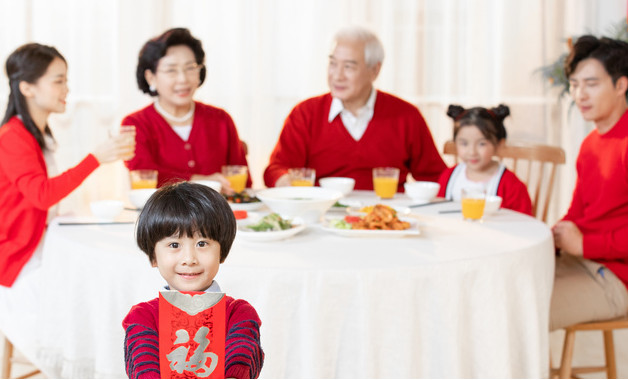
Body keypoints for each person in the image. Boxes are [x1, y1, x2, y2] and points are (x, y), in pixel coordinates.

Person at [0, 43, 135, 288]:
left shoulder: (37, 135)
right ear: (27, 88)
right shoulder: (12, 136)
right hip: (18, 259)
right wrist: (95, 159)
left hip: (36, 246)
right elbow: (42, 195)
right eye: (58, 81)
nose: (67, 89)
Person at [263, 26, 446, 190]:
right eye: (333, 64)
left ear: (374, 70)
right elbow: (275, 170)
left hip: (388, 219)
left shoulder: (406, 116)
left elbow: (436, 177)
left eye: (349, 67)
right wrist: (284, 180)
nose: (337, 76)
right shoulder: (305, 113)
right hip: (322, 216)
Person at [122, 182, 264, 379]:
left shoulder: (239, 314)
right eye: (174, 244)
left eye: (202, 243)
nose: (189, 259)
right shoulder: (143, 318)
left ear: (222, 251)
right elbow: (144, 369)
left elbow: (241, 361)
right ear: (153, 257)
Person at [550, 35, 628, 330]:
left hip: (616, 279)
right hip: (579, 262)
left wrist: (586, 244)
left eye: (591, 84)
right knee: (503, 290)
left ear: (621, 85)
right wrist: (554, 238)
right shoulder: (590, 145)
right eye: (574, 84)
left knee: (522, 311)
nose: (580, 94)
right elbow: (579, 211)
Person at [122, 28, 250, 192]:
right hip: (163, 218)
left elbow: (243, 184)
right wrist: (200, 182)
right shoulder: (135, 125)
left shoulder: (221, 119)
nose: (183, 79)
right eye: (171, 70)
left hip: (218, 216)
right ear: (151, 77)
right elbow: (143, 179)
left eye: (190, 68)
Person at [437, 104, 532, 215]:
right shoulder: (448, 177)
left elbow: (524, 224)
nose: (472, 152)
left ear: (499, 144)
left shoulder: (512, 186)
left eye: (482, 144)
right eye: (464, 143)